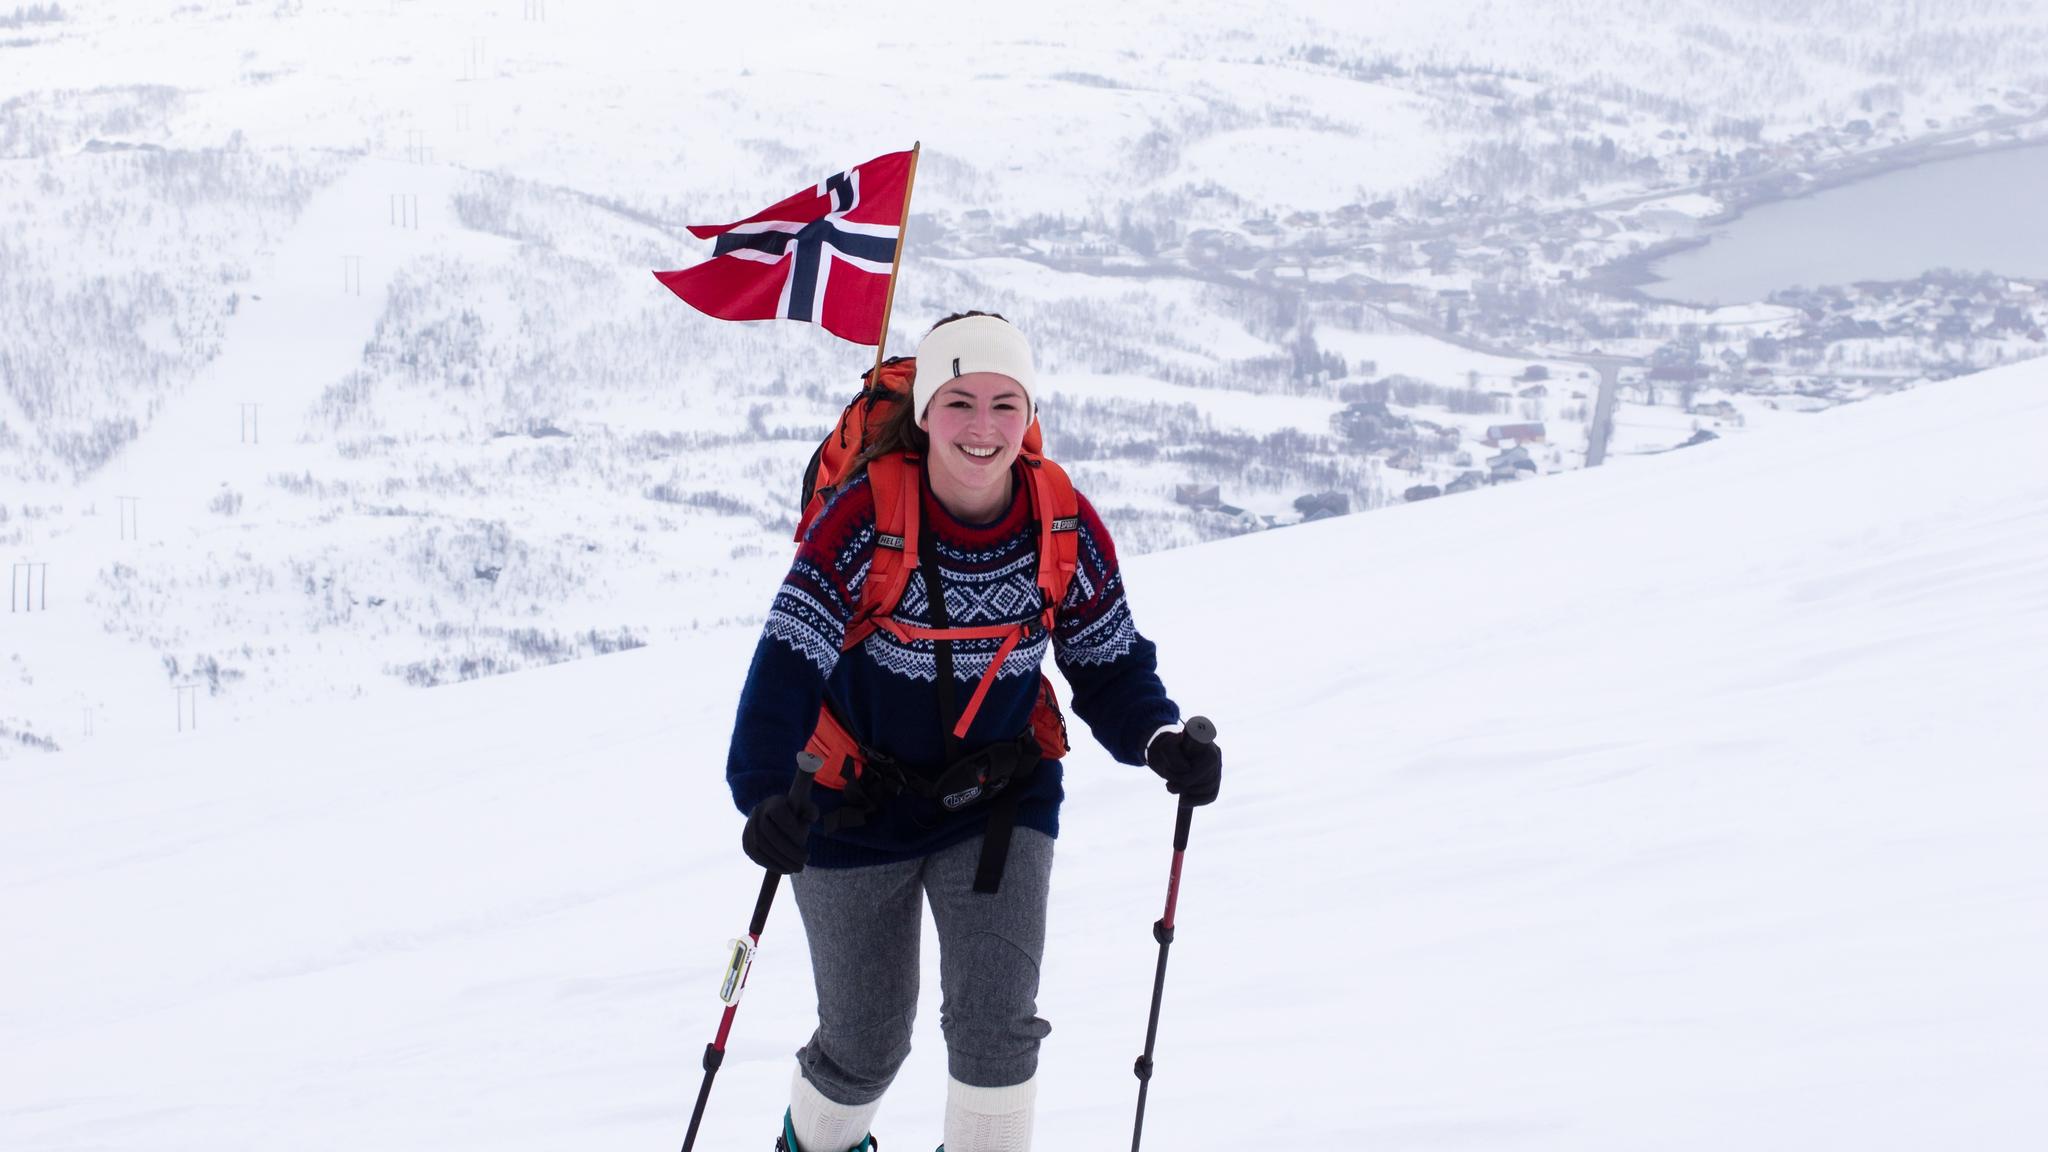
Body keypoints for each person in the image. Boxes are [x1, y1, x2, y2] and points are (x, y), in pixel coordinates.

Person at [725, 311, 1223, 1152]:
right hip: (848, 812)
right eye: (960, 402)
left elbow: (1106, 660)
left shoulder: (1060, 520)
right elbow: (788, 661)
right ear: (924, 413)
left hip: (997, 803)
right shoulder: (862, 519)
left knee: (997, 1031)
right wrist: (766, 794)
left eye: (1005, 403)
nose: (983, 428)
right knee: (863, 1044)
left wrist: (1158, 739)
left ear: (1028, 415)